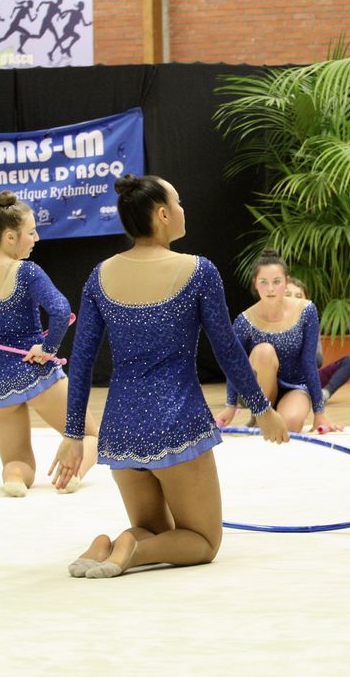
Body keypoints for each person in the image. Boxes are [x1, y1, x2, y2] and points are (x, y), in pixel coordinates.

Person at [51, 174, 288, 579]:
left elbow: (82, 361)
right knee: (203, 541)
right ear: (162, 214)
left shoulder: (100, 275)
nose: (182, 210)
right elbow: (228, 350)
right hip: (177, 424)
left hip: (121, 430)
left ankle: (110, 543)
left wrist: (74, 434)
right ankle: (134, 550)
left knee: (160, 530)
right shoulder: (197, 271)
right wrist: (263, 409)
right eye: (178, 203)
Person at [0, 191, 98, 497]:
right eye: (32, 232)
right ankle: (72, 473)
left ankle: (13, 477)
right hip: (35, 373)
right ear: (10, 237)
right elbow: (61, 310)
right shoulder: (26, 272)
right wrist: (48, 348)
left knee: (18, 460)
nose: (36, 238)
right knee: (90, 436)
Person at [214, 251, 343, 433]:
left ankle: (269, 420)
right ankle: (261, 415)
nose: (270, 289)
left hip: (295, 387)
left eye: (276, 281)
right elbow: (235, 364)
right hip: (261, 390)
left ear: (286, 281)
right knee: (264, 351)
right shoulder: (245, 320)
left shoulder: (306, 311)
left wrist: (319, 412)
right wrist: (230, 406)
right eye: (263, 282)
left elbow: (309, 361)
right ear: (255, 283)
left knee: (289, 426)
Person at [285, 276, 350, 402]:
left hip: (307, 379)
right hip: (281, 381)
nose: (293, 299)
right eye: (288, 295)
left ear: (306, 300)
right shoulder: (270, 321)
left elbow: (318, 360)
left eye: (298, 296)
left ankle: (324, 394)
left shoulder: (310, 323)